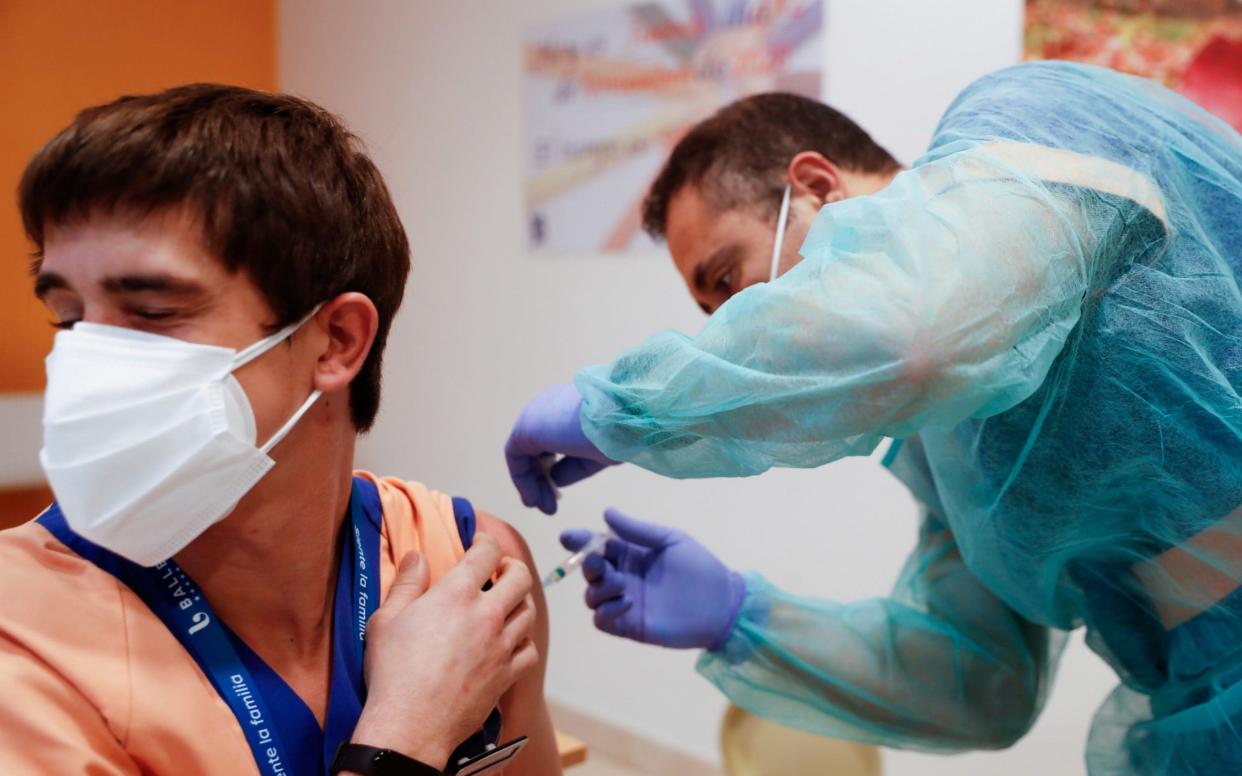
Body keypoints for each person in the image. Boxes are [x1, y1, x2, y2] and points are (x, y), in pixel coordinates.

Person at [505, 61, 1242, 774]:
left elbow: (922, 333)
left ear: (817, 187)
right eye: (712, 314)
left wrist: (622, 408)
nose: (734, 333)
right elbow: (985, 684)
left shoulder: (1030, 114)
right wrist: (743, 615)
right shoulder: (948, 445)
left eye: (730, 281)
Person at [0, 84, 561, 776]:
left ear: (335, 342)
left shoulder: (473, 566)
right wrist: (403, 739)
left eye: (149, 311)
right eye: (70, 317)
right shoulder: (20, 639)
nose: (88, 363)